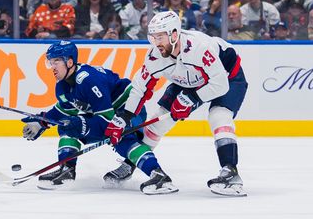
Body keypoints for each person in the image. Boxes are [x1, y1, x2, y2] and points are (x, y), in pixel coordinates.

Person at [105, 11, 248, 196]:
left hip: (228, 76)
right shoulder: (155, 57)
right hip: (187, 79)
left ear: (174, 34)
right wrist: (124, 116)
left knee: (219, 115)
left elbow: (219, 84)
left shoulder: (199, 47)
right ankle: (132, 163)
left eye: (160, 37)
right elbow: (140, 88)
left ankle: (231, 173)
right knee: (158, 121)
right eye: (153, 37)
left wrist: (193, 98)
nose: (156, 42)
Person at [21, 42, 176, 194]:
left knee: (119, 137)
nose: (52, 66)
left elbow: (107, 119)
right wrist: (42, 122)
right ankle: (66, 171)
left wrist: (81, 125)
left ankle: (159, 176)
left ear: (69, 62)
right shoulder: (62, 85)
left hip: (128, 110)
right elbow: (64, 110)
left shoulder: (88, 79)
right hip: (107, 113)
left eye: (56, 61)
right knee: (67, 126)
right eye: (50, 62)